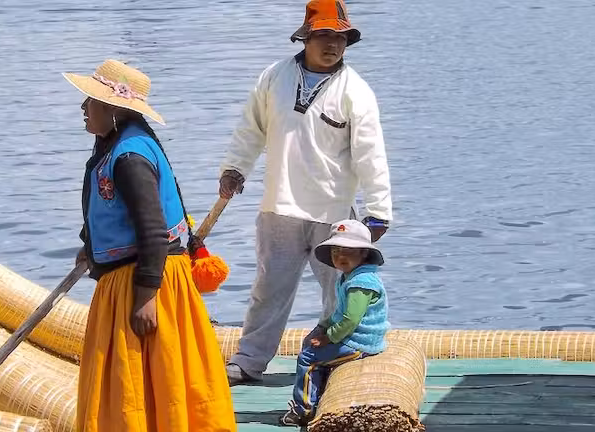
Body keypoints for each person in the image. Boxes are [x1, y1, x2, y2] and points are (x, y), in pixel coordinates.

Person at [218, 0, 393, 385]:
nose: (333, 44)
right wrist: (234, 168)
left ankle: (338, 358)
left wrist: (378, 210)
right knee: (268, 289)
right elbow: (251, 128)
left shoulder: (356, 91)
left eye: (340, 38)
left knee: (339, 294)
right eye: (325, 35)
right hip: (278, 205)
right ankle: (248, 361)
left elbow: (371, 153)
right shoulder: (274, 77)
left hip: (333, 214)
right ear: (307, 37)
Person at [65, 59, 236, 432]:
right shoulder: (120, 144)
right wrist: (90, 246)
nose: (82, 109)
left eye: (89, 101)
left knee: (140, 379)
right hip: (142, 276)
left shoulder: (129, 157)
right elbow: (113, 210)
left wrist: (145, 297)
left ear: (113, 110)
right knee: (156, 376)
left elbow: (152, 229)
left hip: (145, 282)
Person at [280, 219, 390, 426]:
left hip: (361, 341)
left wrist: (327, 338)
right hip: (355, 336)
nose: (340, 256)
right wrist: (322, 327)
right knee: (309, 344)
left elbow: (350, 320)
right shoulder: (351, 277)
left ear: (364, 253)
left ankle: (303, 410)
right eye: (336, 250)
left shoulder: (360, 283)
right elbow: (340, 314)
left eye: (348, 251)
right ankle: (316, 395)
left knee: (308, 358)